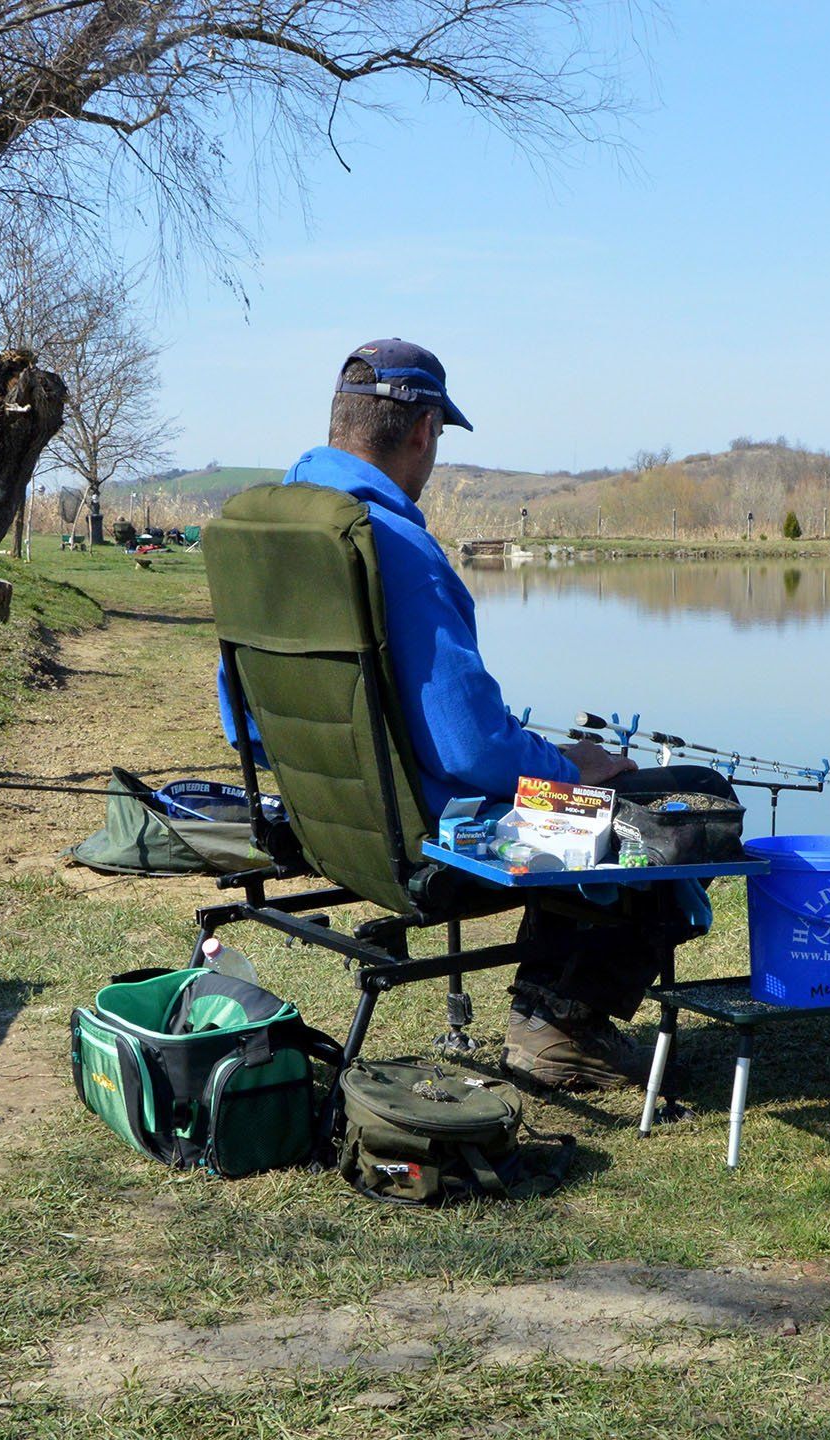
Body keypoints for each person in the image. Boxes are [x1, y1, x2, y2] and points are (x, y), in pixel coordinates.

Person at [220, 338, 735, 1090]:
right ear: (425, 430)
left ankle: (550, 1013)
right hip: (436, 840)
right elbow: (466, 747)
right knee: (688, 801)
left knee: (585, 780)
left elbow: (242, 720)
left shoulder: (274, 533)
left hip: (329, 821)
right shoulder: (396, 546)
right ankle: (562, 1026)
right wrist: (569, 768)